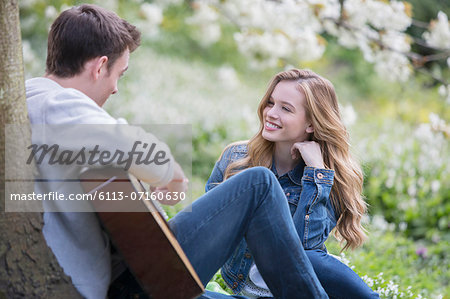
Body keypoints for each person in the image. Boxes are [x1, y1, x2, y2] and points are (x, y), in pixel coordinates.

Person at [26, 4, 331, 299]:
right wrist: (170, 178)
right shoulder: (59, 104)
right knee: (259, 184)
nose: (116, 88)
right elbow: (153, 161)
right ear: (100, 66)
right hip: (128, 284)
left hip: (120, 268)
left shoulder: (26, 98)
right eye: (119, 74)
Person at [205, 69, 380, 298]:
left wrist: (316, 174)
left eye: (285, 108)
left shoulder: (331, 178)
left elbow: (301, 256)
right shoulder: (236, 160)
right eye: (270, 103)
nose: (271, 113)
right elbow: (208, 235)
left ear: (311, 124)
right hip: (247, 290)